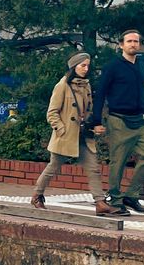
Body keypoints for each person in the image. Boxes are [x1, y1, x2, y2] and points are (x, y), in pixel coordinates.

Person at [89, 28, 144, 215]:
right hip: (119, 120)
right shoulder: (112, 66)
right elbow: (100, 93)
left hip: (142, 119)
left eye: (136, 41)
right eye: (129, 41)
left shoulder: (140, 66)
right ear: (121, 45)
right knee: (118, 162)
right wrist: (96, 120)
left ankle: (131, 195)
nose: (133, 44)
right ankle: (116, 199)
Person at [30, 51, 104, 211]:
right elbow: (52, 112)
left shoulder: (86, 86)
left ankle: (100, 202)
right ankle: (37, 195)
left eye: (87, 66)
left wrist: (93, 125)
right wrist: (61, 130)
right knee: (53, 167)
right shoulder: (62, 85)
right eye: (82, 65)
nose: (86, 69)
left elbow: (88, 110)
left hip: (84, 135)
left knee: (93, 168)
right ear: (74, 66)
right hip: (66, 136)